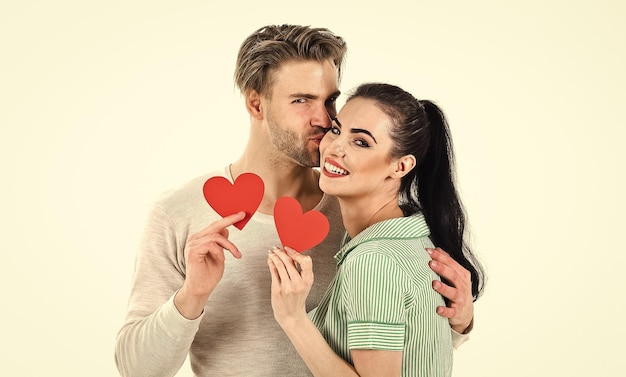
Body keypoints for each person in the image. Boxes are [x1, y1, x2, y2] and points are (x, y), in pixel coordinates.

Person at [115, 25, 477, 377]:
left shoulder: (358, 213)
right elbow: (137, 370)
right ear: (256, 104)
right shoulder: (178, 214)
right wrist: (191, 295)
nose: (324, 119)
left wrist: (456, 321)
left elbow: (397, 350)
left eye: (330, 100)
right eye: (302, 100)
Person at [268, 82, 485, 376]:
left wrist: (293, 318)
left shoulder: (373, 261)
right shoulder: (412, 235)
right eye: (336, 130)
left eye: (361, 142)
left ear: (400, 167)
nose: (335, 148)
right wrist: (460, 325)